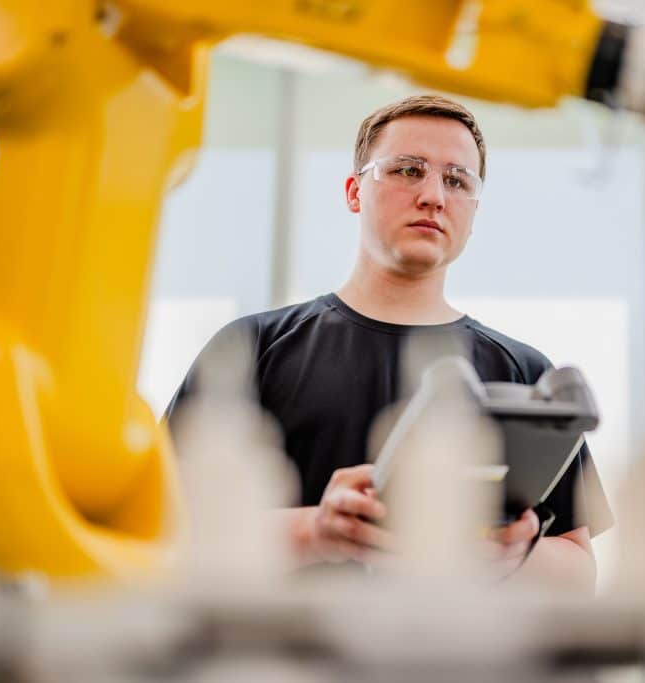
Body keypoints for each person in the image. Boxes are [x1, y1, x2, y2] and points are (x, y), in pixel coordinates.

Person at [166, 95, 612, 589]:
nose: (433, 196)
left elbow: (579, 570)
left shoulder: (526, 375)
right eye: (406, 170)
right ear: (355, 191)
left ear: (473, 211)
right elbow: (159, 531)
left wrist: (514, 554)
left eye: (457, 180)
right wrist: (314, 530)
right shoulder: (251, 349)